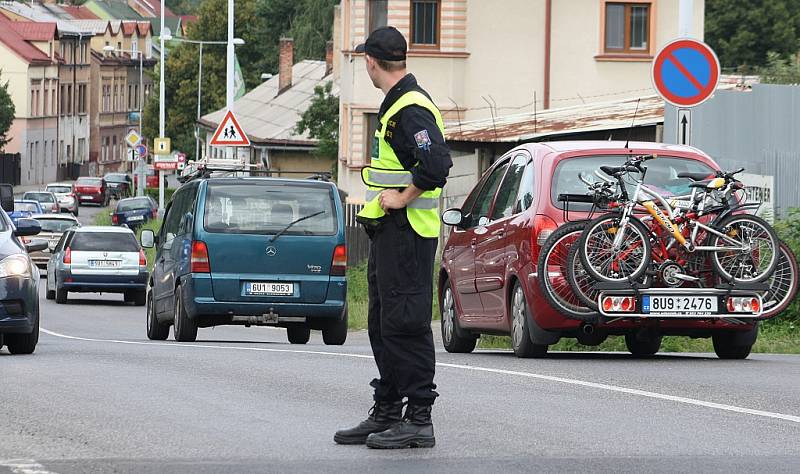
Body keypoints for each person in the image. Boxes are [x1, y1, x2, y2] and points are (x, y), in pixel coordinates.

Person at [334, 26, 452, 450]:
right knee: (385, 322)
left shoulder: (410, 109)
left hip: (409, 233)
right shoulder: (399, 104)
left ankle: (418, 418)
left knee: (406, 323)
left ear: (370, 61)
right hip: (391, 233)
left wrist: (403, 197)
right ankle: (387, 409)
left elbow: (436, 164)